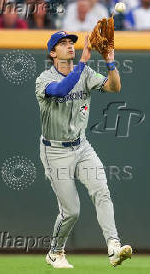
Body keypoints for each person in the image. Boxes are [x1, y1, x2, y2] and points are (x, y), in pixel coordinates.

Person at [35, 31, 132, 269]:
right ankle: (55, 252)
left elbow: (114, 87)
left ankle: (113, 246)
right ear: (52, 52)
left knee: (102, 191)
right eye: (63, 44)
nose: (70, 46)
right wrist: (84, 60)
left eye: (71, 43)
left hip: (82, 146)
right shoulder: (44, 79)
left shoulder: (85, 73)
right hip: (54, 151)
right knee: (71, 211)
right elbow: (60, 90)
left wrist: (110, 62)